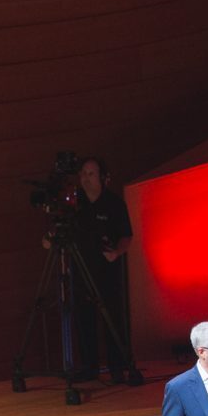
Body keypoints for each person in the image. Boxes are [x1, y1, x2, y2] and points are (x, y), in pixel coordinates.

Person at [70, 156, 133, 384]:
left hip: (107, 271)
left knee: (112, 318)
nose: (86, 179)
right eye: (83, 174)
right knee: (84, 318)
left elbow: (127, 235)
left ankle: (118, 367)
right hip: (81, 270)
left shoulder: (114, 204)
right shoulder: (75, 205)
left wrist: (116, 252)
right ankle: (90, 367)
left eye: (91, 174)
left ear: (102, 178)